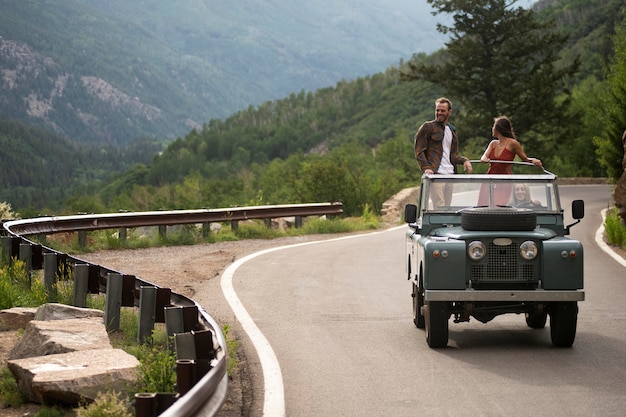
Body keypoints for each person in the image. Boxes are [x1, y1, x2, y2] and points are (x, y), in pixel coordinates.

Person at [414, 97, 473, 208]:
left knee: (447, 208)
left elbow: (452, 156)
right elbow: (419, 150)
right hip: (436, 175)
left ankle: (447, 226)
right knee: (439, 207)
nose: (439, 113)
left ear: (449, 112)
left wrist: (465, 160)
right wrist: (426, 168)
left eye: (442, 111)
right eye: (437, 110)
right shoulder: (428, 127)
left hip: (450, 175)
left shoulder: (452, 131)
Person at [478, 116, 542, 206]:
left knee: (498, 206)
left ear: (499, 128)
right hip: (490, 179)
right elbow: (483, 157)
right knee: (484, 205)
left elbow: (525, 159)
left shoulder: (512, 143)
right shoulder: (493, 143)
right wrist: (484, 159)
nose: (492, 128)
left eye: (494, 126)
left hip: (504, 181)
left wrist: (533, 161)